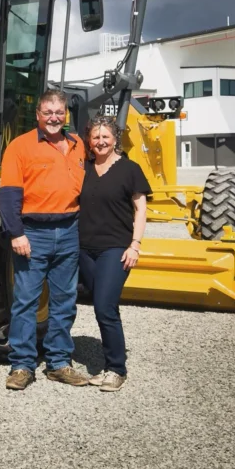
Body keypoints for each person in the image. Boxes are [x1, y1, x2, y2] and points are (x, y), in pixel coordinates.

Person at [0, 88, 88, 390]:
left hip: (68, 231)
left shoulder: (78, 146)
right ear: (38, 115)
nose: (53, 117)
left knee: (64, 301)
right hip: (32, 233)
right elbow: (9, 194)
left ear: (66, 115)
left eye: (58, 112)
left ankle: (59, 362)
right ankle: (22, 365)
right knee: (26, 301)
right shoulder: (20, 147)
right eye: (47, 112)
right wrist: (16, 233)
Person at [78, 114, 150, 392]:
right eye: (95, 137)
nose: (100, 141)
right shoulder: (84, 167)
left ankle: (117, 369)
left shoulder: (129, 169)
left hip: (116, 249)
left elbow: (140, 209)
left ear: (115, 138)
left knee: (105, 307)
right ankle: (107, 366)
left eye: (105, 136)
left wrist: (135, 244)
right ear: (89, 140)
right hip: (85, 249)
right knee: (100, 306)